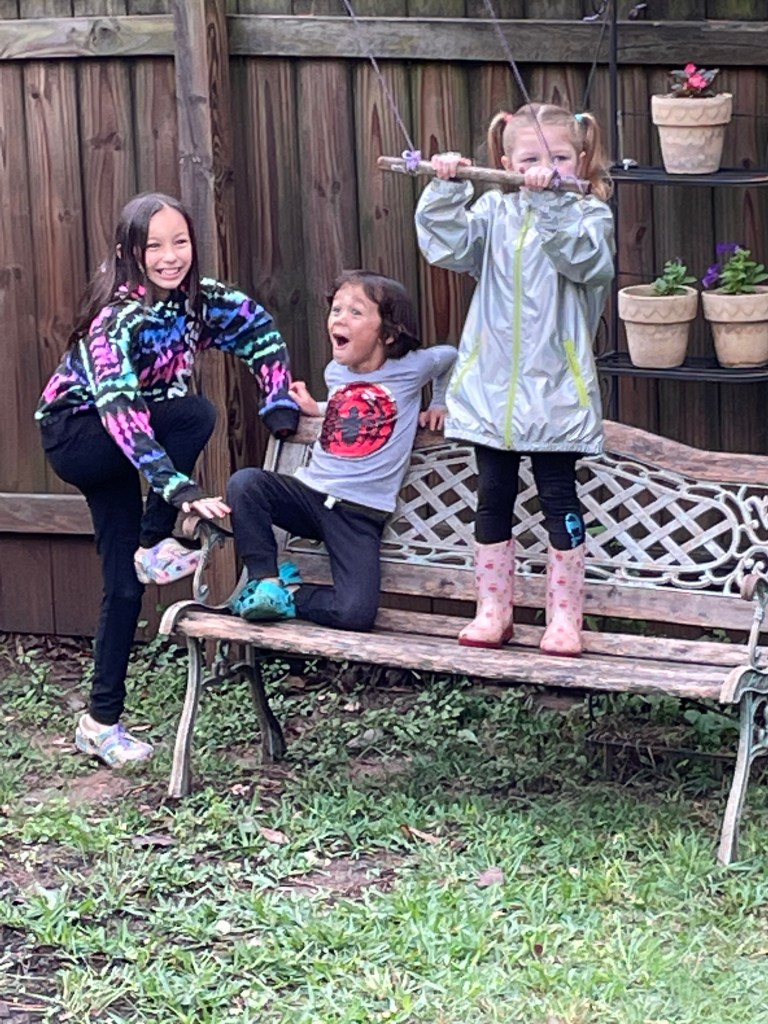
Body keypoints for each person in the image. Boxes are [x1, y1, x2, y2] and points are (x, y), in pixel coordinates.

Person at [35, 191, 299, 767]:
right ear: (128, 253)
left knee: (125, 585)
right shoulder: (116, 321)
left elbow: (260, 331)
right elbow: (122, 414)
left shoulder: (198, 304)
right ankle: (154, 539)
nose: (169, 256)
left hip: (126, 442)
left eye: (179, 242)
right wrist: (178, 491)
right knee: (193, 413)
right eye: (153, 246)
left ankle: (100, 723)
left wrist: (277, 396)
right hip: (79, 436)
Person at [414, 102, 615, 656]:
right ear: (505, 163)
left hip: (556, 392)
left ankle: (565, 619)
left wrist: (550, 203)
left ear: (582, 159)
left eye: (559, 158)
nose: (544, 169)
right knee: (493, 497)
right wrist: (447, 189)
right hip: (492, 391)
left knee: (559, 499)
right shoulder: (494, 212)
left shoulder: (589, 217)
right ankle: (493, 611)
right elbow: (447, 245)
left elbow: (583, 261)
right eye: (529, 160)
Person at [226, 269, 457, 631]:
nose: (339, 318)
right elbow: (351, 408)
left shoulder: (411, 368)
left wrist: (440, 402)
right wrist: (317, 408)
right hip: (311, 495)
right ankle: (264, 581)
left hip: (359, 514)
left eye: (355, 311)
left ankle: (290, 593)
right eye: (336, 309)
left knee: (355, 614)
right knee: (246, 484)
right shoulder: (337, 371)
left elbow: (451, 356)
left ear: (388, 333)